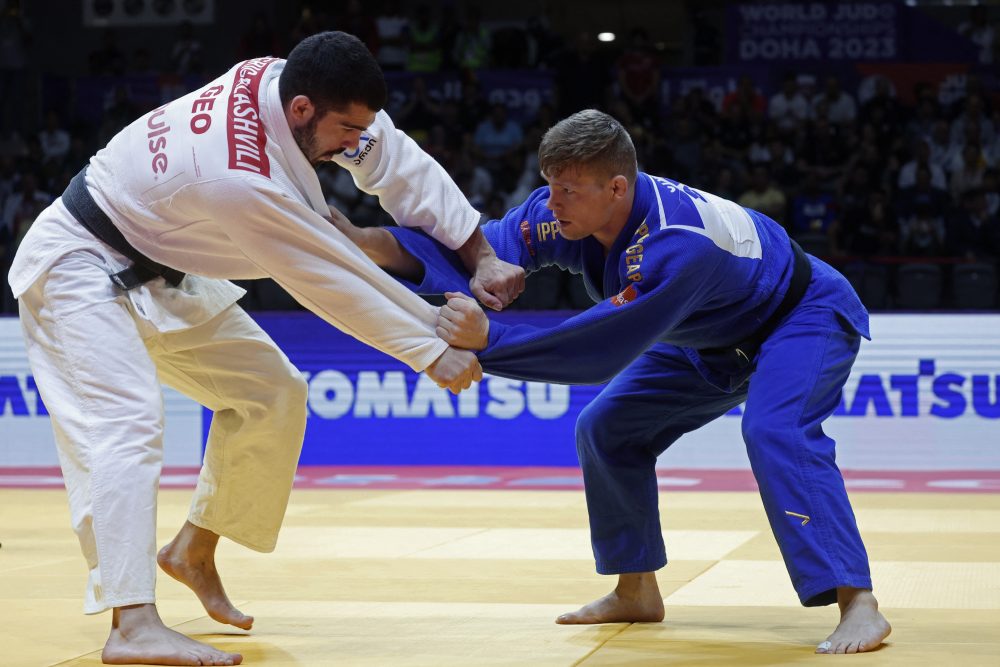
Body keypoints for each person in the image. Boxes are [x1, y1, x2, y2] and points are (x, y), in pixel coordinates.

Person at [7, 31, 523, 666]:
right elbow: (320, 273)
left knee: (272, 394)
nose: (350, 145)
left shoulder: (292, 82)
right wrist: (425, 347)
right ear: (302, 109)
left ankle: (191, 549)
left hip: (163, 256)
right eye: (342, 130)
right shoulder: (237, 172)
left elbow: (399, 161)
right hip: (79, 262)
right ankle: (131, 621)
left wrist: (482, 252)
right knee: (125, 424)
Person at [333, 109, 892, 655]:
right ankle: (636, 590)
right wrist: (367, 241)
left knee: (776, 432)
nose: (553, 202)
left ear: (617, 188)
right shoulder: (562, 207)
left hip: (800, 316)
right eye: (549, 185)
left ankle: (858, 600)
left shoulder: (678, 244)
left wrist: (489, 343)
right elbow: (483, 248)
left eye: (569, 190)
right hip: (711, 339)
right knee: (607, 429)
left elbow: (596, 350)